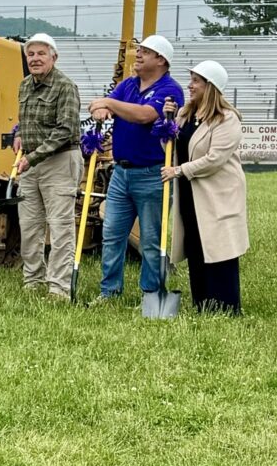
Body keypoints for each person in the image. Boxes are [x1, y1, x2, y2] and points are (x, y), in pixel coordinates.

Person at [88, 34, 184, 305]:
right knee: (112, 235)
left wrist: (109, 104)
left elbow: (143, 115)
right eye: (138, 50)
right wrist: (101, 109)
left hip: (152, 174)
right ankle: (109, 292)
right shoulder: (128, 84)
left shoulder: (170, 89)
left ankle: (151, 294)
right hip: (121, 172)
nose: (138, 55)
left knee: (151, 241)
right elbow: (99, 105)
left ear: (161, 60)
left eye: (145, 51)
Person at [161, 60, 247, 314]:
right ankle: (202, 303)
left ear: (210, 86)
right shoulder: (185, 115)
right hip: (191, 192)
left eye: (196, 81)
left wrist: (179, 171)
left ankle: (226, 305)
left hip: (218, 195)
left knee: (219, 247)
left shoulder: (227, 119)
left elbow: (215, 159)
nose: (190, 85)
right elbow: (171, 151)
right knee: (196, 245)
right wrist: (166, 123)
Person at [13, 33, 81, 301]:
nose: (35, 59)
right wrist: (20, 134)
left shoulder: (65, 86)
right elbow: (29, 120)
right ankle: (33, 280)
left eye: (41, 54)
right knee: (29, 225)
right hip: (30, 161)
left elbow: (66, 129)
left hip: (60, 161)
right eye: (30, 54)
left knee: (61, 225)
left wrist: (33, 156)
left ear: (54, 57)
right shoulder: (24, 86)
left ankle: (58, 287)